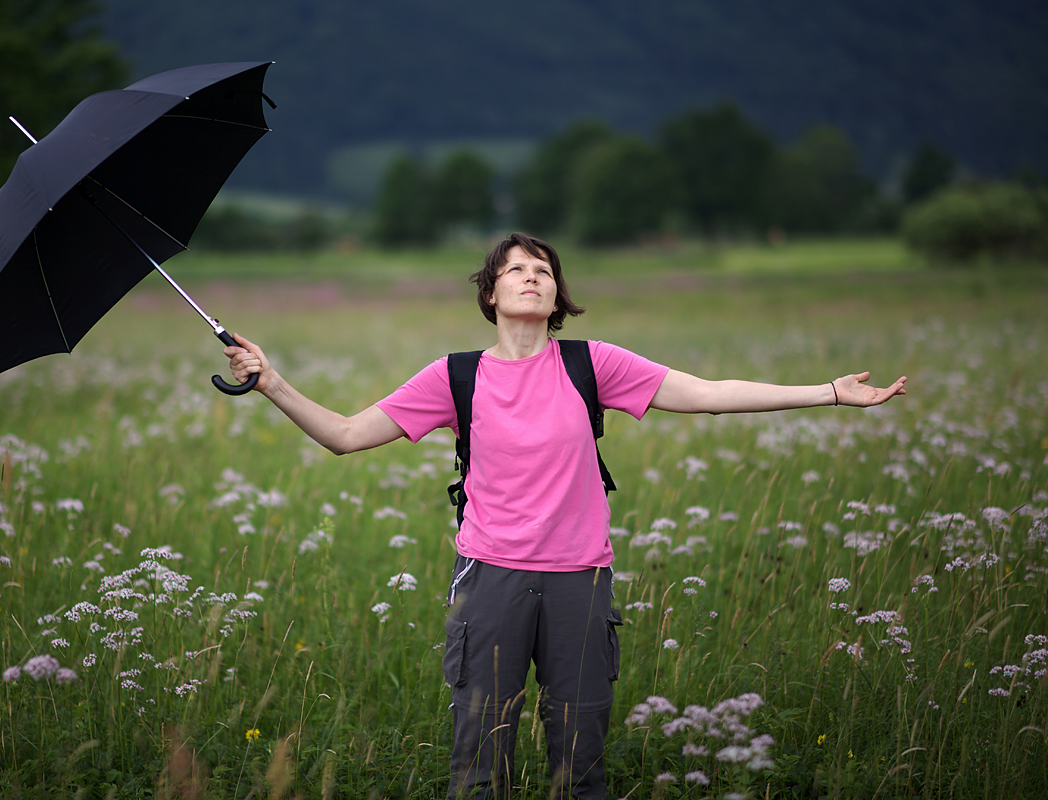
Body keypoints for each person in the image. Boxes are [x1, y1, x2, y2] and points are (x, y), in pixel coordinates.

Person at [223, 232, 907, 799]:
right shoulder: (455, 377)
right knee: (481, 757)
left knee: (579, 760)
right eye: (515, 270)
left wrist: (831, 394)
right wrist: (272, 382)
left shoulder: (591, 364)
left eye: (543, 270)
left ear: (558, 294)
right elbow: (345, 435)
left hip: (580, 580)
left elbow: (706, 393)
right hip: (489, 579)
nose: (532, 277)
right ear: (489, 294)